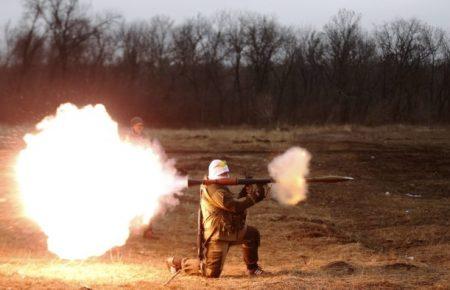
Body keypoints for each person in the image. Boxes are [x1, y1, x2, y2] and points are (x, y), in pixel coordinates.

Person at [166, 159, 267, 277]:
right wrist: (253, 198)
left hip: (230, 229)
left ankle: (252, 268)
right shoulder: (213, 188)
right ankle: (175, 262)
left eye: (226, 174)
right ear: (215, 176)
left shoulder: (218, 186)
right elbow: (234, 206)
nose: (225, 177)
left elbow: (229, 201)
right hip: (218, 235)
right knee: (210, 272)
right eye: (222, 175)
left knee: (252, 234)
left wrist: (243, 193)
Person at [125, 116, 154, 240]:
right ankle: (125, 229)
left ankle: (148, 231)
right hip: (133, 173)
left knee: (148, 202)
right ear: (133, 126)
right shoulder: (128, 139)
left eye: (141, 126)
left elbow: (151, 151)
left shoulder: (145, 138)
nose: (140, 128)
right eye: (138, 126)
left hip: (144, 172)